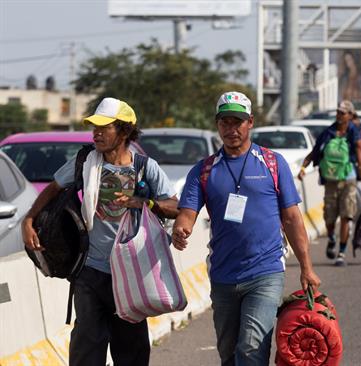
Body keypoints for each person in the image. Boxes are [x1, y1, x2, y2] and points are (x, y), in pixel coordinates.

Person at [21, 97, 179, 366]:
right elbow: (53, 189)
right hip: (90, 272)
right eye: (95, 127)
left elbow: (175, 207)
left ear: (125, 131)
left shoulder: (144, 167)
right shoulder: (85, 161)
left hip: (131, 276)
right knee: (86, 351)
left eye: (105, 127)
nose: (97, 133)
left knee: (131, 353)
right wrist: (29, 220)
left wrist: (146, 202)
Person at [172, 91, 321, 366]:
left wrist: (306, 267)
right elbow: (187, 214)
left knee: (251, 350)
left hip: (265, 272)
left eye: (237, 122)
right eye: (225, 122)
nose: (231, 129)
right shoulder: (204, 170)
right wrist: (181, 230)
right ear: (217, 124)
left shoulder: (272, 164)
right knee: (229, 354)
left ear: (250, 122)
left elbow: (291, 218)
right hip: (223, 276)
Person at [298, 100, 361, 266]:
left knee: (347, 216)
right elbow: (315, 152)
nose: (339, 115)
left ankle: (341, 253)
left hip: (348, 180)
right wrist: (303, 167)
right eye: (338, 112)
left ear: (351, 115)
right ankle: (332, 237)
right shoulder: (328, 132)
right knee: (329, 218)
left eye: (343, 112)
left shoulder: (355, 135)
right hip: (330, 180)